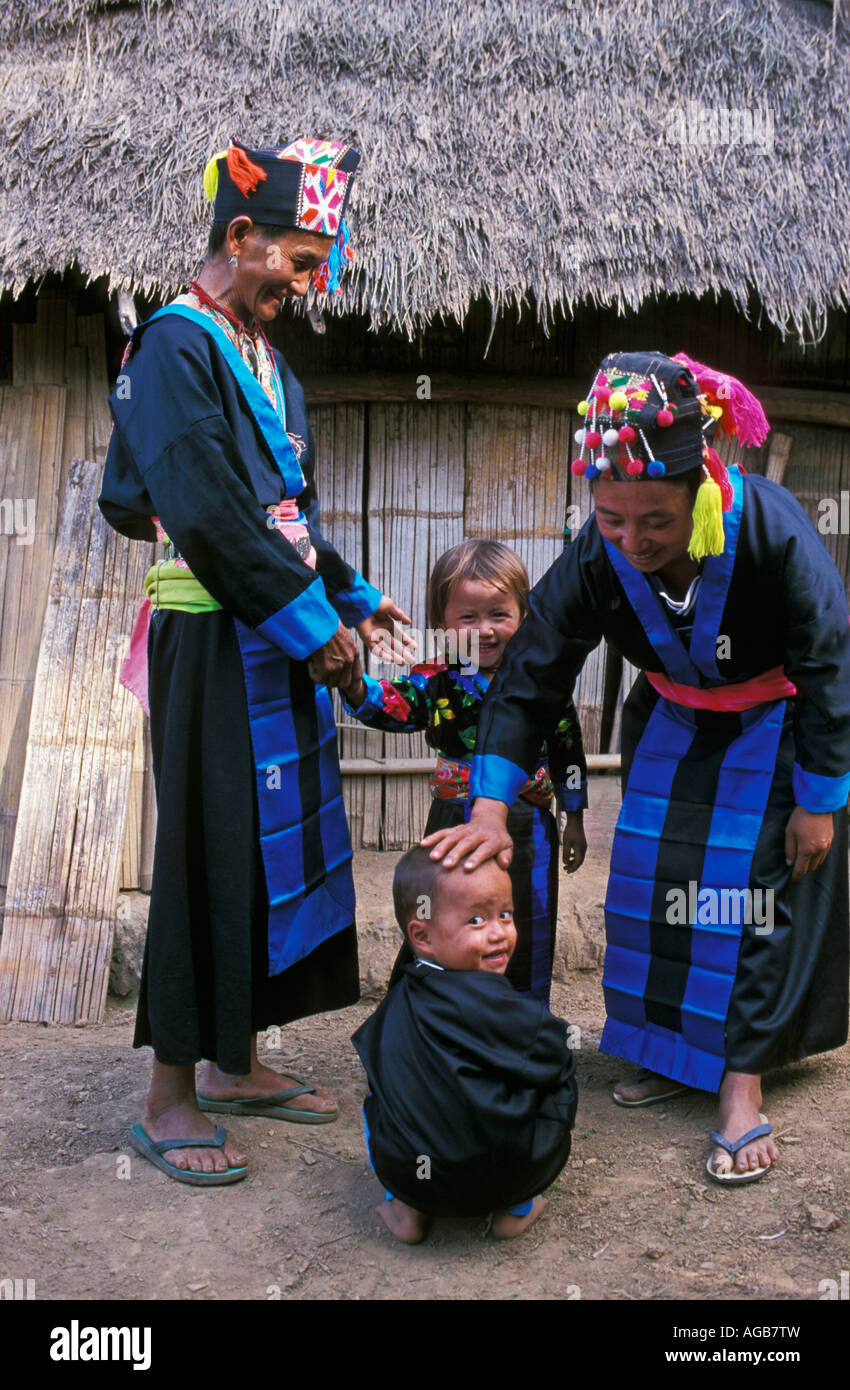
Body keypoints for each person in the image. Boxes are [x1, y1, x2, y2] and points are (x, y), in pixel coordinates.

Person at [423, 349, 850, 1185]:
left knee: (750, 893)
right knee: (652, 884)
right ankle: (666, 1051)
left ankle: (740, 1081)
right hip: (675, 722)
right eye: (611, 518)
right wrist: (488, 800)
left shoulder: (769, 527)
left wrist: (821, 799)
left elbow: (831, 658)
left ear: (698, 483)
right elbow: (534, 667)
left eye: (652, 518)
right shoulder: (600, 553)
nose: (631, 539)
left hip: (777, 726)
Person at [99, 138, 412, 1185]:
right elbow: (192, 508)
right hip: (215, 642)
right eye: (300, 257)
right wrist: (314, 627)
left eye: (322, 260)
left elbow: (285, 516)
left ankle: (234, 1065)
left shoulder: (266, 363)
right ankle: (168, 1097)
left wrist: (357, 597)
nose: (312, 280)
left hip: (272, 631)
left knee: (262, 847)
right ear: (241, 235)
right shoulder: (170, 350)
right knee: (205, 845)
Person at [339, 539, 588, 1005]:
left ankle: (522, 1027)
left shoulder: (544, 679)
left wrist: (574, 816)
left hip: (528, 829)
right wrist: (354, 684)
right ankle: (434, 1026)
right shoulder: (437, 679)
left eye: (500, 614)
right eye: (468, 618)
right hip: (452, 822)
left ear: (525, 615)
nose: (486, 630)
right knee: (446, 917)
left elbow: (567, 750)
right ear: (442, 625)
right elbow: (396, 708)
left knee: (527, 925)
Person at [351, 845, 578, 1242]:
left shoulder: (397, 1000)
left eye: (505, 914)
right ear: (421, 935)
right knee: (559, 1079)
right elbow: (557, 1056)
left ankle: (407, 1210)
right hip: (499, 1178)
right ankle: (514, 1209)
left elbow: (377, 1069)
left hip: (415, 1174)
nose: (499, 933)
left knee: (377, 1102)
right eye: (476, 920)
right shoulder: (507, 1009)